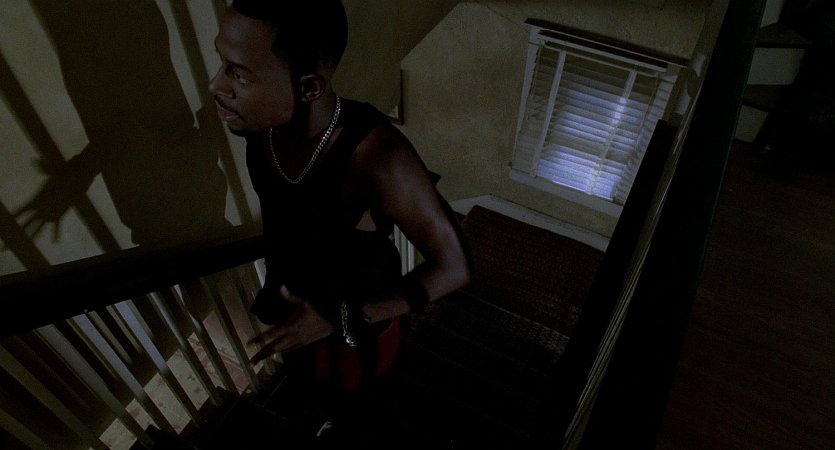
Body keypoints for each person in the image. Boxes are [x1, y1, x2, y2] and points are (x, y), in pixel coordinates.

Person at [208, 0, 471, 445]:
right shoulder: (263, 128)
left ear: (309, 87)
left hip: (357, 326)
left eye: (240, 74)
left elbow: (456, 266)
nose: (215, 85)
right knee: (317, 390)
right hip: (294, 307)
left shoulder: (378, 157)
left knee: (361, 404)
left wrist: (342, 317)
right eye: (222, 64)